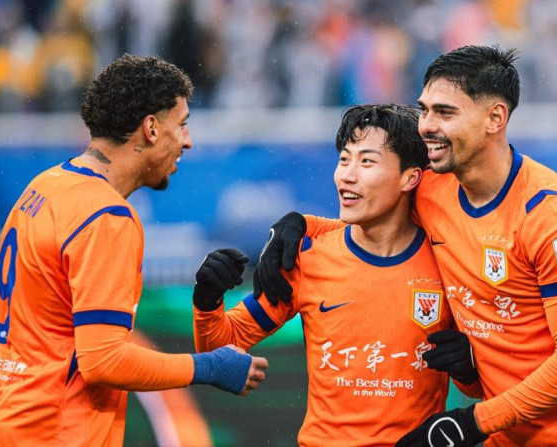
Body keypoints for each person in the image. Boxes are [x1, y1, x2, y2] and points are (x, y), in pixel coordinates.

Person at [254, 46, 557, 447]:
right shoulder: (432, 186)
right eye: (424, 110)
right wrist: (299, 225)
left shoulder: (554, 220)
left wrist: (471, 422)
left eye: (445, 113)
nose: (426, 126)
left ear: (495, 118)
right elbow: (375, 216)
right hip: (509, 432)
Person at [0, 54, 268, 447]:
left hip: (0, 422)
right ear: (151, 128)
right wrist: (209, 367)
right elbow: (104, 360)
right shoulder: (106, 216)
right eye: (181, 124)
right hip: (53, 433)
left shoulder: (44, 186)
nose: (188, 140)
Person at [190, 104, 481, 446]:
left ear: (410, 178)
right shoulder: (308, 256)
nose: (347, 175)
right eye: (344, 159)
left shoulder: (447, 262)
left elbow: (480, 387)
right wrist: (207, 300)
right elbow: (220, 348)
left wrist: (467, 368)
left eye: (367, 162)